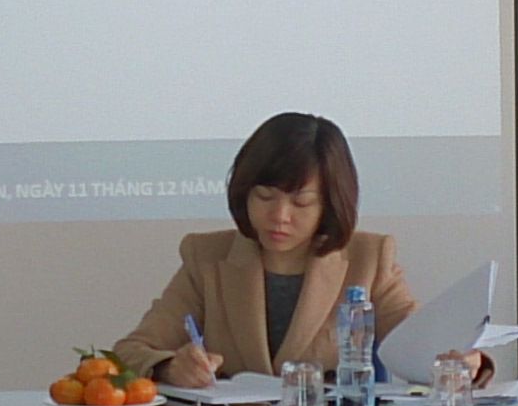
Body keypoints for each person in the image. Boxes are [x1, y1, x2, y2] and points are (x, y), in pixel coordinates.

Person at [113, 114, 424, 389]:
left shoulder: (369, 259)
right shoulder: (206, 257)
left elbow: (423, 349)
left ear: (329, 204)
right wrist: (169, 367)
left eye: (301, 203)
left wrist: (454, 362)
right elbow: (130, 351)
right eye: (264, 196)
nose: (279, 216)